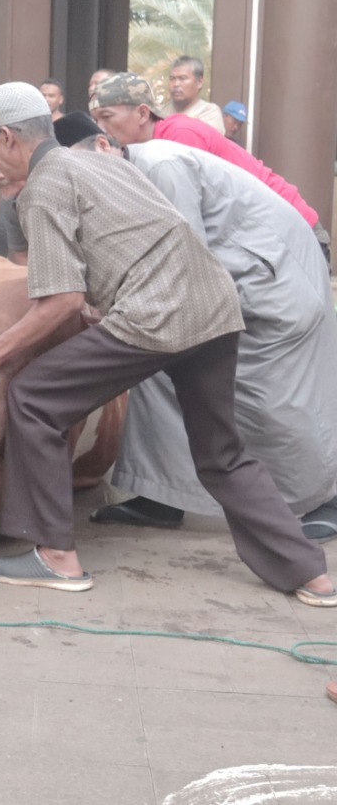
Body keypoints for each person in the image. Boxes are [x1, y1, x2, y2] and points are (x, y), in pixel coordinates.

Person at [0, 81, 335, 606]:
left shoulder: (42, 186)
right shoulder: (101, 160)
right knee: (221, 452)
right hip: (215, 306)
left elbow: (61, 298)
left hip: (159, 315)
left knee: (35, 397)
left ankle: (55, 557)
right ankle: (310, 574)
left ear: (8, 138)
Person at [51, 111, 337, 541]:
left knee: (275, 399)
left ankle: (326, 499)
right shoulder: (119, 181)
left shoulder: (162, 165)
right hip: (219, 284)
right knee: (152, 371)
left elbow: (184, 256)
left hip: (273, 280)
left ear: (104, 146)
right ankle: (161, 495)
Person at [89, 72, 329, 256]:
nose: (100, 128)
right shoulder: (151, 148)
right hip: (264, 240)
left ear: (142, 114)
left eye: (107, 117)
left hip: (292, 235)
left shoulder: (177, 139)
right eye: (96, 119)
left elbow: (184, 233)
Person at [158, 56, 223, 131]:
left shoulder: (209, 112)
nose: (176, 84)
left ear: (199, 82)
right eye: (172, 79)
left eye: (182, 78)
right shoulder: (158, 112)